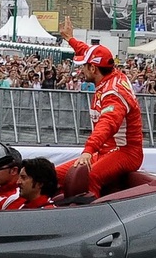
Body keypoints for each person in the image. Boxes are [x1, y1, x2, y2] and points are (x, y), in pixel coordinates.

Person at [55, 16, 143, 196]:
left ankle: (91, 218)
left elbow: (107, 125)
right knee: (55, 175)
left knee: (88, 177)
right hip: (105, 150)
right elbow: (90, 52)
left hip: (126, 152)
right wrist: (70, 39)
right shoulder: (109, 72)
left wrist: (88, 150)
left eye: (84, 67)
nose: (81, 70)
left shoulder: (114, 93)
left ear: (93, 69)